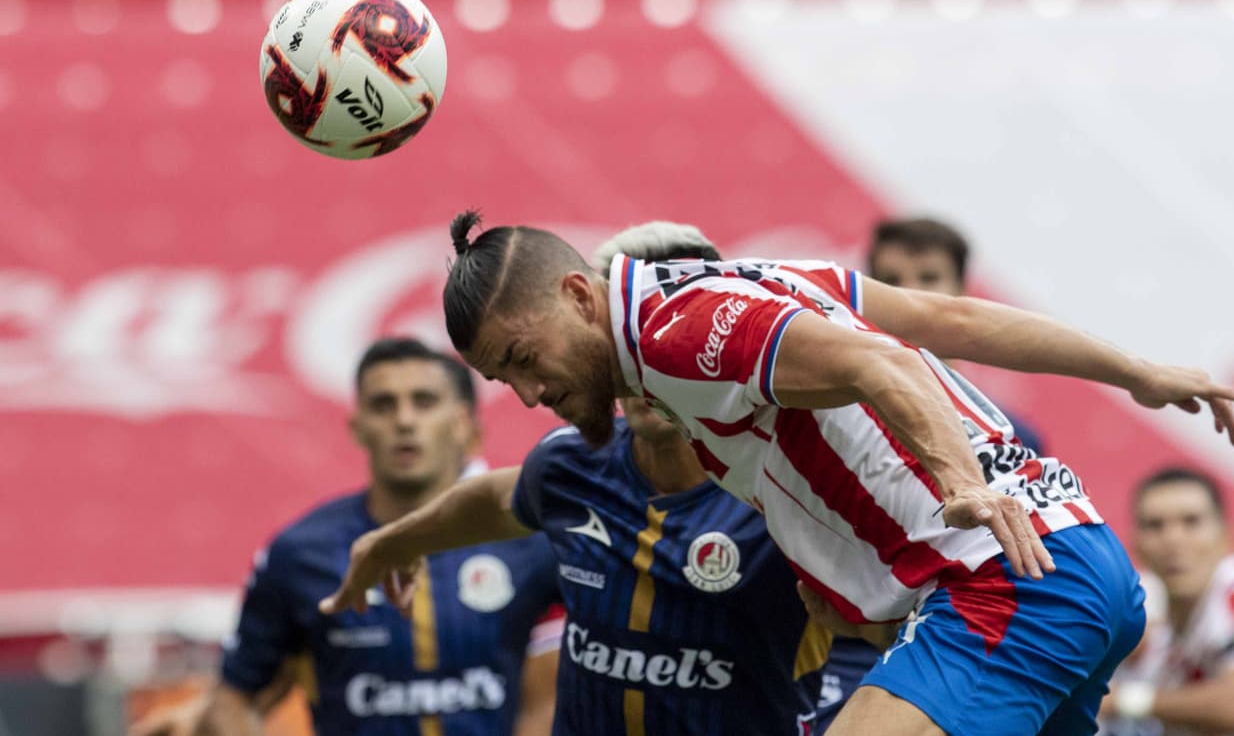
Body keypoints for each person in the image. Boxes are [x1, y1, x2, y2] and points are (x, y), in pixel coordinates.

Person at [404, 210, 1234, 735]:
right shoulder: (757, 280)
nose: (524, 393)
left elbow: (883, 364)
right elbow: (947, 317)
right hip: (1077, 559)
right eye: (499, 380)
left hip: (1007, 584)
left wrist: (957, 480)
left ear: (582, 298)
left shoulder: (677, 335)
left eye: (523, 357)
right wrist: (1136, 371)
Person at [321, 223, 880, 735]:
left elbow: (907, 615)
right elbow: (498, 499)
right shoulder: (569, 466)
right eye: (628, 335)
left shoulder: (793, 487)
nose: (651, 357)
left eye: (670, 334)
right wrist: (395, 541)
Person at [131, 338, 561, 736]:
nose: (404, 420)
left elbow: (550, 704)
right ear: (357, 426)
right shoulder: (300, 552)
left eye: (424, 402)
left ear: (465, 424)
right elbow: (237, 696)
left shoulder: (533, 542)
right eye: (383, 404)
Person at [1102, 468, 1234, 735]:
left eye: (1191, 522)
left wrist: (1125, 700)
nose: (1173, 539)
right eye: (1155, 525)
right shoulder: (1159, 639)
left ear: (1226, 535)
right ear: (1135, 544)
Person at [867, 216, 1046, 452]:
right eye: (891, 280)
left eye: (929, 278)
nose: (909, 293)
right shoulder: (837, 416)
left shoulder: (1014, 438)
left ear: (962, 291)